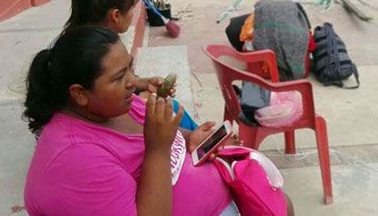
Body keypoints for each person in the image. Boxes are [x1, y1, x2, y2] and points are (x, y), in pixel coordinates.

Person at [23, 27, 235, 215]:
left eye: (130, 69)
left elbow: (167, 136)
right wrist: (158, 149)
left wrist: (191, 137)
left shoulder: (119, 106)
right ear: (79, 93)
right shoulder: (76, 158)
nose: (134, 82)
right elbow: (157, 146)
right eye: (119, 77)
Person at [63, 0, 198, 131]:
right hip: (104, 125)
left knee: (173, 108)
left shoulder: (92, 39)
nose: (134, 14)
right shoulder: (88, 53)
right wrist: (140, 101)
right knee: (171, 112)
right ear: (116, 15)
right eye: (132, 9)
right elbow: (100, 107)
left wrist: (143, 83)